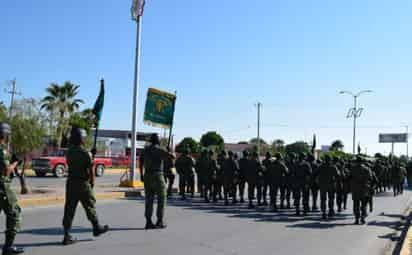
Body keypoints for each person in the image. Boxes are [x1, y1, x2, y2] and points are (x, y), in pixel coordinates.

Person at [62, 127, 109, 245]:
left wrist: (90, 155)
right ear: (81, 139)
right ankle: (96, 227)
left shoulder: (69, 151)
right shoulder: (85, 153)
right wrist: (92, 182)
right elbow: (90, 169)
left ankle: (66, 235)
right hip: (83, 183)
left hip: (71, 182)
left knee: (69, 208)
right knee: (89, 205)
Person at [139, 133, 175, 229]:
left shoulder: (145, 150)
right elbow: (172, 157)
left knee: (149, 199)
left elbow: (140, 162)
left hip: (147, 175)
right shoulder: (159, 149)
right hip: (157, 175)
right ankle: (159, 220)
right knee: (162, 198)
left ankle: (148, 221)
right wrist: (169, 151)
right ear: (157, 140)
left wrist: (141, 174)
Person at [0, 123, 24, 255]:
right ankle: (8, 247)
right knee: (14, 214)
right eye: (7, 134)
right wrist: (16, 162)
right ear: (4, 134)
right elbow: (6, 171)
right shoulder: (1, 150)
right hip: (2, 186)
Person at [350, 156, 373, 225]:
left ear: (356, 161)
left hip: (355, 189)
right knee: (364, 204)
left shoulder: (352, 168)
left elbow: (349, 177)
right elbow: (371, 178)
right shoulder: (367, 169)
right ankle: (362, 218)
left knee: (356, 204)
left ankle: (357, 219)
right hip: (364, 188)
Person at [317, 154, 340, 220]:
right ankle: (330, 210)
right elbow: (338, 175)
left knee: (323, 199)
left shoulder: (320, 166)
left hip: (323, 185)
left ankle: (324, 212)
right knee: (331, 198)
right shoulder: (333, 167)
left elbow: (314, 174)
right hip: (331, 185)